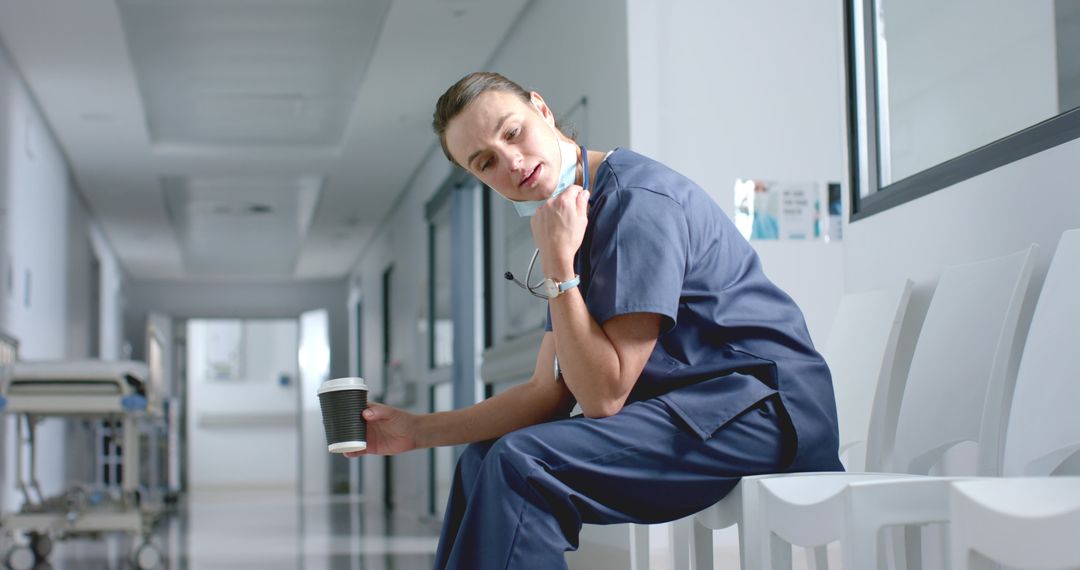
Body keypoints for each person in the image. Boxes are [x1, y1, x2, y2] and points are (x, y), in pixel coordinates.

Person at [345, 71, 843, 569]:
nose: (511, 162)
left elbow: (602, 397)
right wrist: (417, 430)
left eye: (512, 132)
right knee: (480, 461)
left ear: (541, 108)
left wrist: (560, 267)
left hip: (763, 411)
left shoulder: (635, 204)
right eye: (486, 162)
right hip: (697, 407)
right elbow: (547, 391)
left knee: (523, 465)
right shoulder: (571, 217)